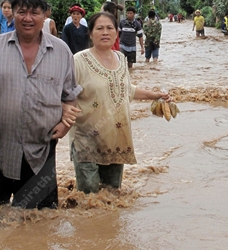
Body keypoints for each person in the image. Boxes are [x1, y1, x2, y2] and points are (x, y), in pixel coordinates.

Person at [0, 0, 82, 209]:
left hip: (41, 151)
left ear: (45, 15)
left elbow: (70, 96)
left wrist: (66, 124)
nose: (27, 18)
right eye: (22, 12)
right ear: (13, 14)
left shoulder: (61, 51)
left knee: (40, 223)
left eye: (34, 13)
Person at [70, 12, 171, 193]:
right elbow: (66, 95)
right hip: (86, 140)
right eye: (99, 28)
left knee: (111, 196)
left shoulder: (121, 58)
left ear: (117, 33)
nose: (105, 32)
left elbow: (127, 90)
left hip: (116, 139)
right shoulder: (78, 61)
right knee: (89, 198)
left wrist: (155, 95)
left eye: (109, 28)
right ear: (91, 33)